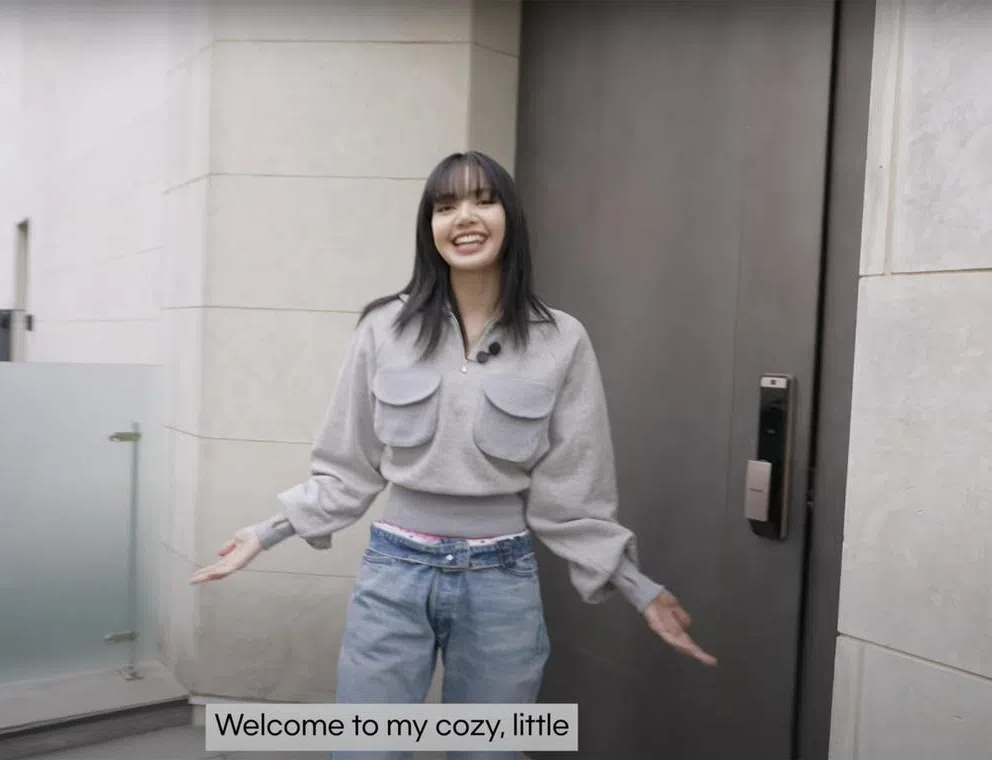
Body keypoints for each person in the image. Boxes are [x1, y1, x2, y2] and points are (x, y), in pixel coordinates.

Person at [190, 150, 716, 759]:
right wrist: (267, 532)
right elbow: (347, 468)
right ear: (430, 227)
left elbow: (574, 496)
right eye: (446, 207)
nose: (464, 217)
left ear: (510, 217)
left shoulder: (561, 339)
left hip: (502, 583)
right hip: (394, 574)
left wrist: (637, 586)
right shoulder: (383, 328)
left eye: (483, 201)